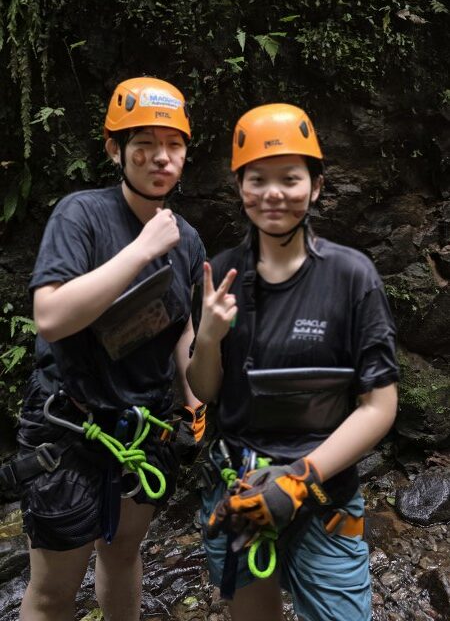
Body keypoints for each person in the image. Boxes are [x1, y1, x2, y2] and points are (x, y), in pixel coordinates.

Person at [187, 103, 399, 621]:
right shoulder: (224, 274)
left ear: (317, 186)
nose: (273, 193)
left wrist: (301, 477)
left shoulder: (353, 276)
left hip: (323, 491)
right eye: (257, 179)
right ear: (240, 188)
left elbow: (379, 403)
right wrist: (210, 337)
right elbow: (205, 389)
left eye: (290, 178)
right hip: (240, 487)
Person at [13, 77, 206, 621]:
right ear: (114, 148)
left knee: (122, 556)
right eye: (143, 143)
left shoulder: (187, 239)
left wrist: (192, 397)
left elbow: (180, 324)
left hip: (143, 430)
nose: (161, 158)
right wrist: (143, 248)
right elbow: (50, 316)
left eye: (174, 145)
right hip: (70, 428)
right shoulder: (81, 215)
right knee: (53, 592)